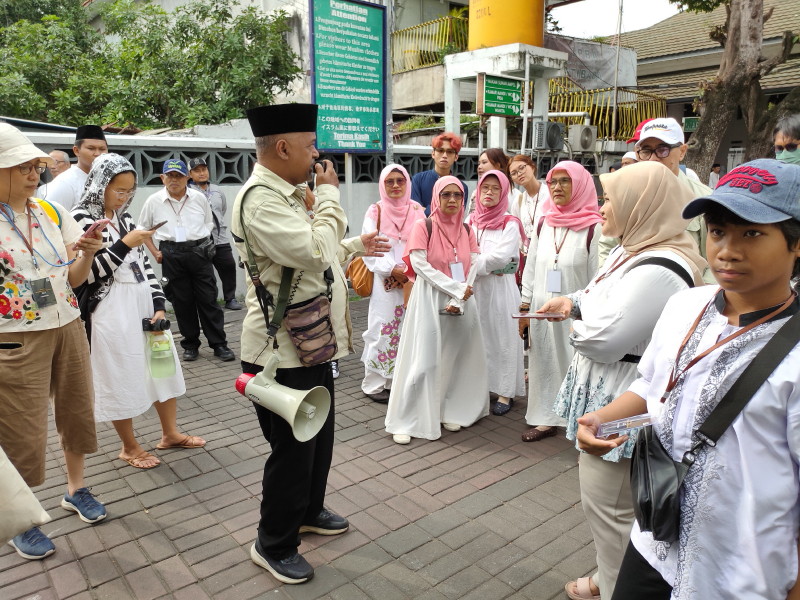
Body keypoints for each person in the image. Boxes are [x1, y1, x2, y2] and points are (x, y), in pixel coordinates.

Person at [576, 159, 800, 600]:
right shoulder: (686, 306)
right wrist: (602, 419)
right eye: (717, 231)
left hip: (740, 570)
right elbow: (652, 385)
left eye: (752, 234)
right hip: (655, 540)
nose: (727, 250)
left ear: (796, 244)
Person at [230, 103, 389, 585]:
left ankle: (307, 510)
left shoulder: (288, 194)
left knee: (318, 442)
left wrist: (356, 245)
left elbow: (308, 255)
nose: (316, 154)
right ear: (282, 147)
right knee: (292, 454)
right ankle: (273, 543)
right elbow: (316, 250)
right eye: (309, 145)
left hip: (311, 343)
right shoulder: (261, 201)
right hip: (280, 353)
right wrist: (330, 196)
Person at [538, 161, 707, 600]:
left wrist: (578, 324)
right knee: (608, 507)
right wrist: (573, 303)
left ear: (640, 205)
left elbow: (603, 340)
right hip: (613, 391)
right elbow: (597, 296)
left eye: (610, 198)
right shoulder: (630, 249)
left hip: (624, 398)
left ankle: (615, 586)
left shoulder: (661, 268)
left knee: (610, 508)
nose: (602, 207)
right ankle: (606, 574)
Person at [0, 123, 107, 560]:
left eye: (36, 166)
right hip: (15, 337)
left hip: (67, 322)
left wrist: (88, 252)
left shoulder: (50, 211)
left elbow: (73, 280)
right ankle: (19, 518)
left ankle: (76, 489)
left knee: (77, 410)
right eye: (22, 167)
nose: (34, 174)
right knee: (21, 426)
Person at [71, 153, 206, 470]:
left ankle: (170, 433)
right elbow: (87, 274)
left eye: (129, 191)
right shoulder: (79, 217)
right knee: (119, 373)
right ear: (100, 184)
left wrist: (159, 305)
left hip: (142, 304)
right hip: (109, 310)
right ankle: (129, 446)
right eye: (118, 190)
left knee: (162, 368)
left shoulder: (125, 218)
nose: (124, 197)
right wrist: (125, 243)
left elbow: (145, 267)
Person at [385, 176, 489, 444]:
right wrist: (455, 288)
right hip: (429, 298)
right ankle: (406, 419)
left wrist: (461, 296)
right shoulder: (423, 226)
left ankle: (448, 410)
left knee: (454, 358)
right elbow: (419, 265)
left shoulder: (467, 230)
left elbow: (473, 264)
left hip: (461, 300)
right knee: (423, 360)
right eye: (446, 195)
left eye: (457, 195)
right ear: (436, 198)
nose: (452, 200)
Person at [517, 161, 601, 441]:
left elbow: (599, 277)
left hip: (574, 312)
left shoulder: (594, 227)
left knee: (576, 364)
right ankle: (546, 418)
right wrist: (525, 305)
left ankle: (579, 423)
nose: (557, 187)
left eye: (565, 181)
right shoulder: (544, 221)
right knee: (544, 361)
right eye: (553, 181)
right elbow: (531, 266)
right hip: (542, 307)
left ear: (581, 185)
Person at [139, 159, 234, 362]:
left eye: (179, 176)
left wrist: (200, 241)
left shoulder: (199, 198)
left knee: (209, 299)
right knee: (181, 301)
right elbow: (143, 230)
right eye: (170, 176)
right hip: (171, 254)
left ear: (187, 178)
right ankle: (190, 344)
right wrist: (155, 252)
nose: (174, 180)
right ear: (162, 178)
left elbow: (209, 223)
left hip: (199, 253)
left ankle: (219, 344)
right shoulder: (153, 201)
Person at [598, 117, 712, 270]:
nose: (653, 158)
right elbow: (607, 246)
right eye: (646, 151)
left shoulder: (704, 199)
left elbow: (713, 260)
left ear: (682, 152)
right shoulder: (627, 194)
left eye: (662, 150)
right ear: (637, 154)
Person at [359, 164, 425, 403]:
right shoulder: (375, 211)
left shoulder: (417, 210)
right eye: (390, 181)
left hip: (411, 280)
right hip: (384, 281)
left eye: (400, 180)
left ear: (407, 183)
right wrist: (392, 269)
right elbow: (370, 248)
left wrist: (408, 270)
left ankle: (395, 381)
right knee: (383, 329)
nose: (396, 185)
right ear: (382, 184)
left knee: (407, 329)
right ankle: (374, 384)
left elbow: (424, 243)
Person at [468, 170, 526, 415]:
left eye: (496, 188)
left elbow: (501, 257)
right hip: (475, 290)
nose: (489, 193)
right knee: (478, 339)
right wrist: (481, 264)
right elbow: (462, 250)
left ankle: (505, 392)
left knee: (503, 338)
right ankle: (481, 387)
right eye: (485, 187)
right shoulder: (470, 220)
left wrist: (473, 263)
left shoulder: (509, 222)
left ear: (504, 193)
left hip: (500, 291)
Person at [188, 157, 243, 310]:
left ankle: (230, 299)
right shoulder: (188, 192)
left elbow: (222, 210)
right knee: (205, 273)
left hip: (220, 238)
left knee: (229, 266)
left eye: (204, 169)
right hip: (200, 240)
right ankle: (210, 302)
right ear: (190, 174)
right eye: (197, 171)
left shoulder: (217, 190)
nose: (201, 173)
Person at [42, 125, 108, 210]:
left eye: (102, 149)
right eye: (91, 148)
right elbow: (50, 216)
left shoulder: (107, 180)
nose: (97, 153)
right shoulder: (64, 183)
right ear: (76, 151)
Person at [410, 132, 468, 215]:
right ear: (433, 154)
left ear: (456, 157)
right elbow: (415, 211)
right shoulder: (418, 180)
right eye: (440, 150)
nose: (444, 155)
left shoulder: (461, 187)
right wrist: (443, 210)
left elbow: (456, 215)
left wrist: (427, 209)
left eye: (450, 152)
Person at [465, 148, 510, 216]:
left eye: (484, 162)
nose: (479, 167)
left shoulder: (511, 194)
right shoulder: (476, 192)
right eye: (479, 164)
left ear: (497, 165)